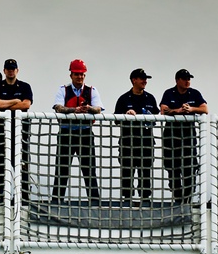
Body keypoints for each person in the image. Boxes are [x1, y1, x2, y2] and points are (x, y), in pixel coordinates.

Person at [51, 59, 104, 203]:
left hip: (85, 133)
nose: (80, 77)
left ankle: (94, 203)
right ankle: (56, 202)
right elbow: (58, 107)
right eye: (77, 74)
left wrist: (88, 109)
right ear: (71, 75)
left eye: (82, 75)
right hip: (66, 134)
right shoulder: (63, 90)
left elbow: (98, 109)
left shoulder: (92, 90)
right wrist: (75, 110)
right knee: (61, 169)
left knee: (89, 170)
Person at [160, 69, 209, 204]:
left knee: (190, 168)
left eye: (189, 79)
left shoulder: (194, 93)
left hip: (188, 137)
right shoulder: (169, 93)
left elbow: (205, 109)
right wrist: (179, 111)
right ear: (177, 80)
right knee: (172, 168)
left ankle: (186, 200)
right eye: (184, 79)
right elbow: (163, 110)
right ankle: (178, 199)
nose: (187, 81)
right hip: (171, 137)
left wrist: (192, 109)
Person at [113, 68, 159, 202]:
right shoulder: (123, 99)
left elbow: (156, 116)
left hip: (146, 142)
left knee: (146, 170)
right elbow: (116, 119)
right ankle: (127, 198)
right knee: (127, 170)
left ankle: (145, 199)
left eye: (146, 79)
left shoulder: (150, 98)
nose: (145, 81)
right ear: (134, 80)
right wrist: (126, 114)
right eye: (142, 79)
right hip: (128, 142)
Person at [0, 58, 34, 200]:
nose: (11, 71)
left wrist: (6, 106)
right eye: (8, 69)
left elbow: (26, 105)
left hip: (21, 132)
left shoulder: (25, 86)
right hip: (1, 132)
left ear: (17, 70)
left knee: (22, 165)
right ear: (4, 70)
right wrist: (15, 101)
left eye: (13, 68)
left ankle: (24, 197)